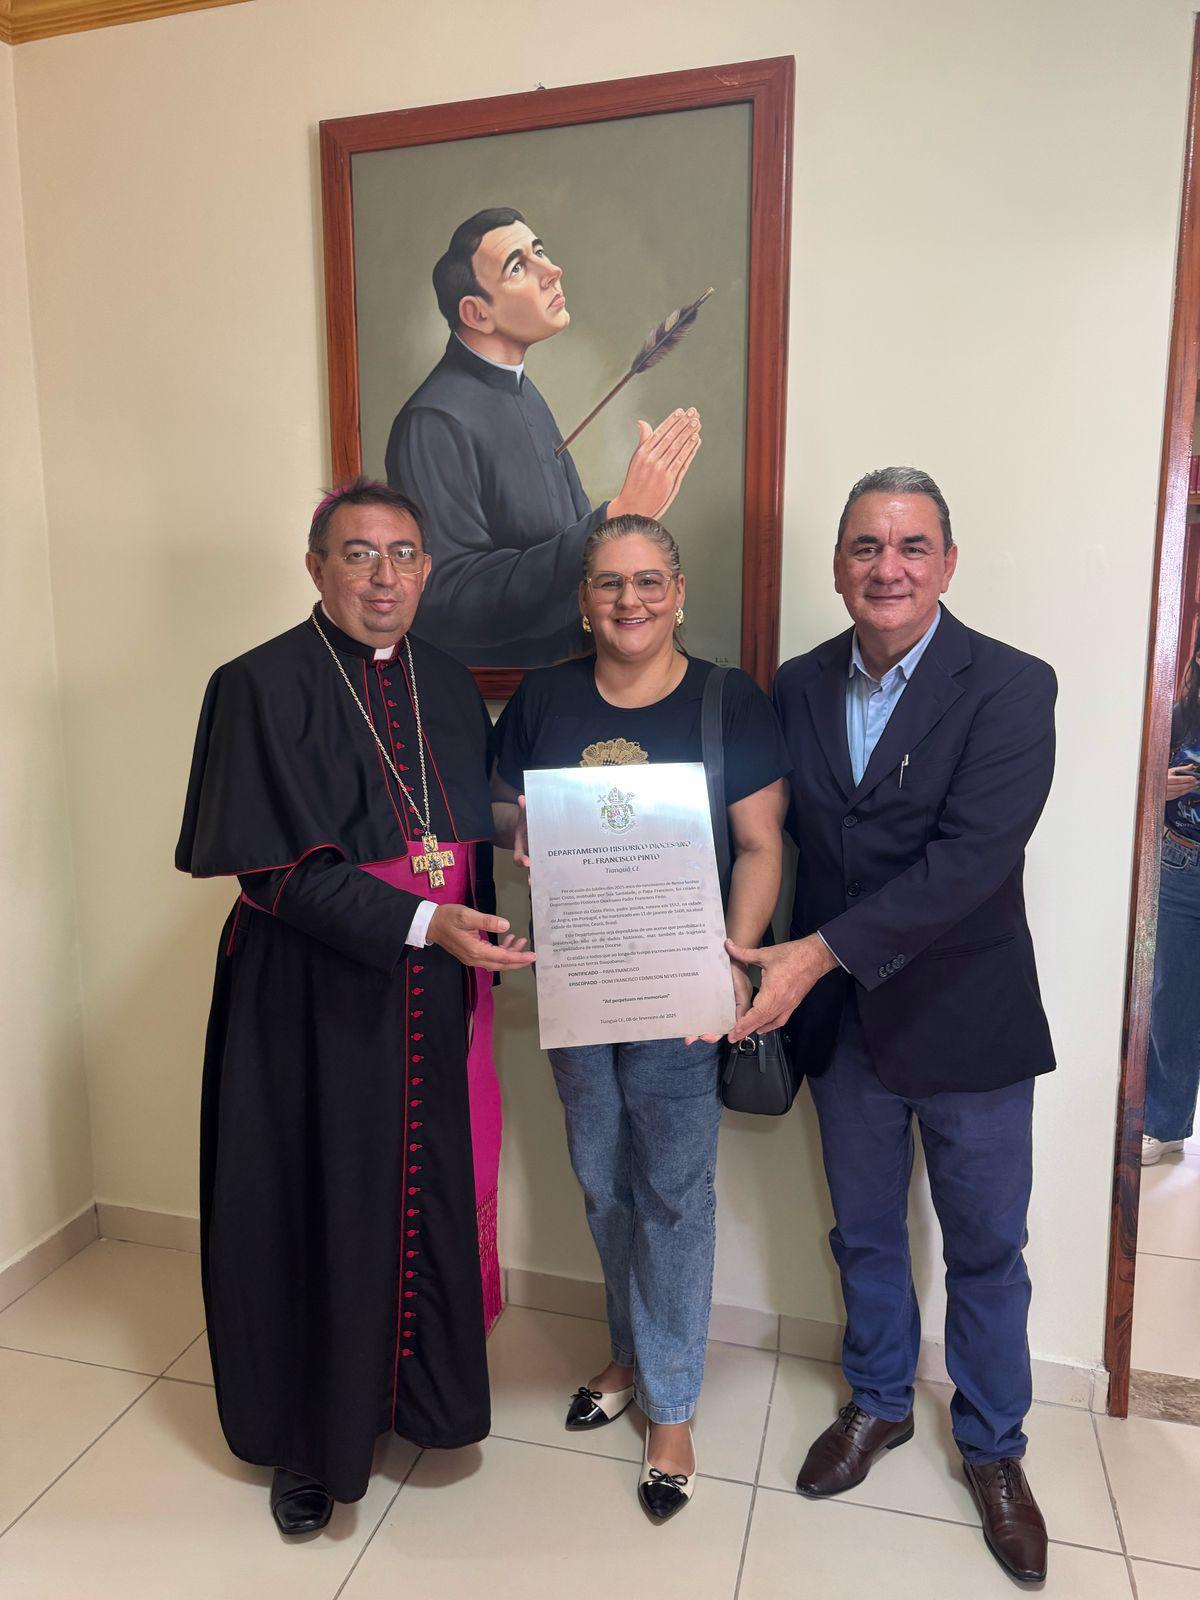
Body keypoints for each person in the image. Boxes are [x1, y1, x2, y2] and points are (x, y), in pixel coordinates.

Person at [175, 478, 535, 1534]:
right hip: (310, 1000)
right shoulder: (256, 685)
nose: (385, 578)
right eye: (360, 555)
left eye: (405, 555)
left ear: (429, 569)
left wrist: (527, 832)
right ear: (317, 567)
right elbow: (268, 869)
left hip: (433, 988)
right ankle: (308, 1440)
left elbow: (452, 828)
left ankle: (416, 1398)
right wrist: (425, 922)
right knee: (316, 1203)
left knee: (417, 1191)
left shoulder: (449, 683)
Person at [729, 467, 1057, 1584]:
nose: (889, 567)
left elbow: (971, 862)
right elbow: (765, 827)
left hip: (970, 1024)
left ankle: (994, 1447)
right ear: (838, 566)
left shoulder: (1011, 684)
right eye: (866, 546)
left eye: (913, 546)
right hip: (847, 1031)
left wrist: (814, 951)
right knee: (863, 1231)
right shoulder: (798, 684)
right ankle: (878, 1399)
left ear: (948, 564)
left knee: (986, 1250)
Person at [491, 512, 789, 1521]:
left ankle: (671, 1406)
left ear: (679, 592)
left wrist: (734, 966)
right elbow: (503, 806)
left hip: (681, 994)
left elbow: (762, 845)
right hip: (581, 981)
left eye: (649, 580)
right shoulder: (545, 697)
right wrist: (520, 826)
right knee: (601, 1180)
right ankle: (627, 1353)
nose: (630, 600)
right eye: (610, 583)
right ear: (585, 599)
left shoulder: (726, 701)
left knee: (673, 1193)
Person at [386, 207, 702, 667]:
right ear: (476, 312)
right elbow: (452, 595)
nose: (552, 271)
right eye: (518, 267)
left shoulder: (521, 389)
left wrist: (630, 516)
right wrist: (621, 511)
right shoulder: (434, 420)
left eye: (539, 251)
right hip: (502, 689)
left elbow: (563, 537)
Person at [1143, 627, 1200, 1163]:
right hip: (1180, 865)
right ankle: (1165, 1124)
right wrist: (1157, 787)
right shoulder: (1177, 714)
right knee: (1172, 1002)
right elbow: (1132, 784)